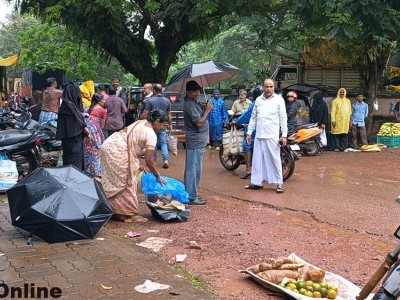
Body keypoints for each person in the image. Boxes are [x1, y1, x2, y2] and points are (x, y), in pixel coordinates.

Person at [100, 109, 168, 223]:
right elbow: (149, 160)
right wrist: (157, 175)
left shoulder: (141, 122)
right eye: (163, 125)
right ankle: (129, 215)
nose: (163, 128)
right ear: (156, 121)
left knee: (115, 181)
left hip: (109, 145)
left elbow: (135, 143)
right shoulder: (151, 134)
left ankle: (116, 211)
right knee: (128, 180)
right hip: (118, 150)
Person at [245, 78, 287, 193]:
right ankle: (256, 182)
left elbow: (283, 118)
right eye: (266, 86)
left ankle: (279, 183)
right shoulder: (258, 100)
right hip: (259, 134)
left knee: (275, 159)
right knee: (257, 160)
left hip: (272, 135)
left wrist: (284, 135)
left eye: (271, 87)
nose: (269, 89)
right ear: (263, 87)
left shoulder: (279, 100)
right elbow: (253, 117)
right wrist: (249, 132)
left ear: (274, 87)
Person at [183, 80, 213, 205]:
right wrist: (206, 111)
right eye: (194, 91)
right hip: (195, 141)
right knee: (193, 170)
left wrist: (204, 108)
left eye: (198, 91)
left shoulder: (193, 103)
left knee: (195, 169)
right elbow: (199, 123)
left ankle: (191, 193)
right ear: (188, 92)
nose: (197, 93)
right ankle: (190, 196)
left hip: (198, 141)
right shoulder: (189, 105)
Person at [56, 82, 88, 171]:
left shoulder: (69, 105)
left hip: (71, 141)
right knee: (73, 166)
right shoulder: (68, 106)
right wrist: (83, 128)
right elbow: (74, 125)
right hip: (73, 141)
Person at [141, 83, 172, 168]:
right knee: (163, 143)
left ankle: (153, 161)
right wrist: (170, 124)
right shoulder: (167, 100)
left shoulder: (150, 100)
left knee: (152, 142)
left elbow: (145, 112)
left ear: (154, 90)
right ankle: (165, 160)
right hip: (162, 125)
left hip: (153, 126)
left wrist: (141, 120)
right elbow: (169, 114)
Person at [84, 93, 106, 177]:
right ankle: (96, 172)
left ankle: (87, 170)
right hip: (96, 134)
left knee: (88, 151)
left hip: (87, 134)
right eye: (103, 100)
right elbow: (102, 126)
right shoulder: (102, 111)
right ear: (99, 101)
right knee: (96, 152)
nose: (104, 101)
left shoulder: (88, 109)